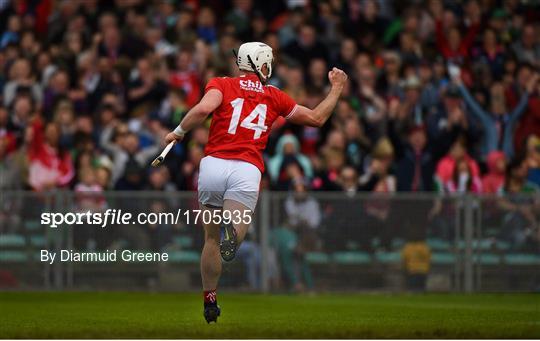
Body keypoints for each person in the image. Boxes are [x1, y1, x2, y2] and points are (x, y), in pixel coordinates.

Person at [164, 42, 348, 323]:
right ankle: (233, 229)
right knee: (237, 230)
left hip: (213, 164)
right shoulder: (275, 96)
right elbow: (317, 118)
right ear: (263, 65)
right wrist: (336, 88)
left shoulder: (221, 84)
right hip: (246, 167)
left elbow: (202, 111)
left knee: (210, 240)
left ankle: (209, 299)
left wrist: (178, 132)